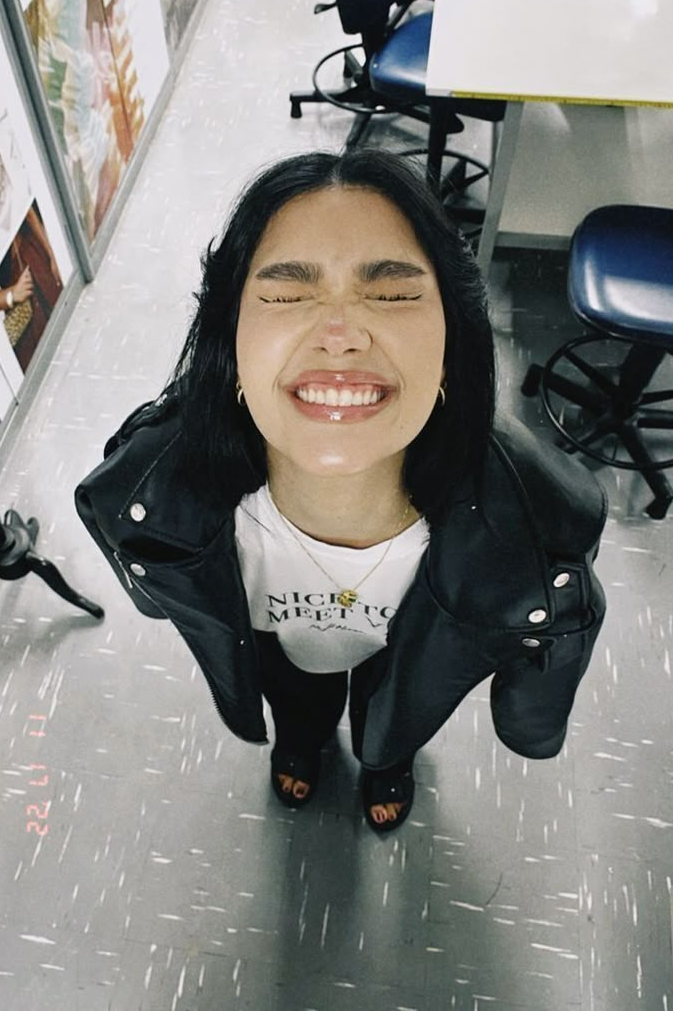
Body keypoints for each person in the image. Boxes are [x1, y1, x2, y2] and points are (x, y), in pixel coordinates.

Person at [75, 149, 607, 833]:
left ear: (452, 343)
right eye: (286, 294)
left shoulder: (535, 525)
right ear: (230, 340)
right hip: (281, 648)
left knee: (397, 710)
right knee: (296, 696)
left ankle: (387, 758)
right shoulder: (149, 486)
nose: (340, 337)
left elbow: (557, 644)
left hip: (408, 655)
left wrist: (528, 725)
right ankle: (301, 737)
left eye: (391, 294)